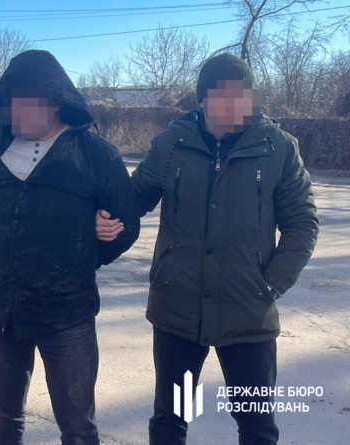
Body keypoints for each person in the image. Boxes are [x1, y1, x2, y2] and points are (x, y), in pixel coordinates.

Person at [97, 53, 319, 445]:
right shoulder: (171, 145)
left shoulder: (278, 149)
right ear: (202, 99)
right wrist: (105, 218)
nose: (234, 102)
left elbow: (302, 224)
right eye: (222, 94)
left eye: (242, 93)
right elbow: (131, 201)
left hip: (248, 313)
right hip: (178, 309)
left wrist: (269, 285)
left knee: (256, 425)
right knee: (172, 419)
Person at [0, 50, 140, 445]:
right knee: (3, 417)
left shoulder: (95, 153)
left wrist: (86, 251)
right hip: (2, 308)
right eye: (12, 102)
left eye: (29, 101)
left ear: (56, 102)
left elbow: (125, 225)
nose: (19, 111)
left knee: (77, 428)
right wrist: (2, 248)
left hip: (67, 313)